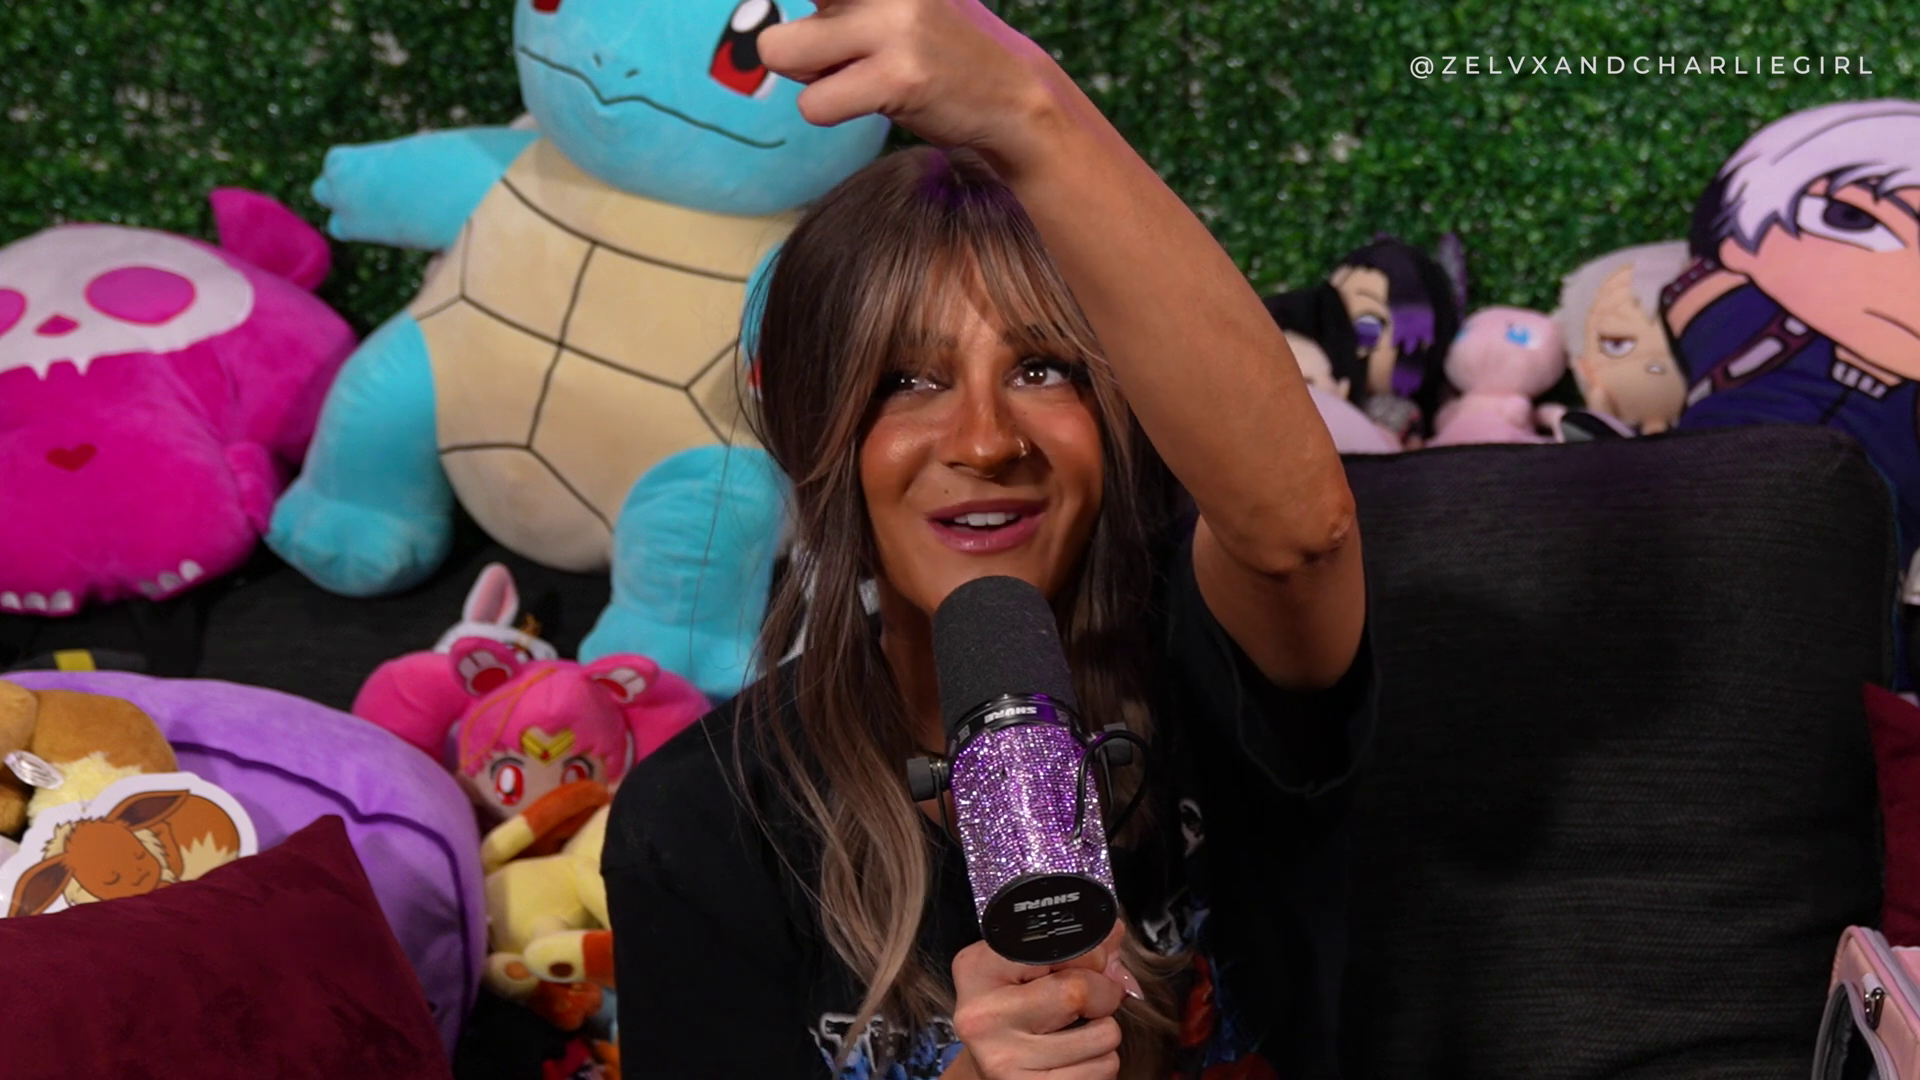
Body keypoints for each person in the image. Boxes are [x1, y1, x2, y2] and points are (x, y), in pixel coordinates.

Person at [601, 1, 1371, 1077]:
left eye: (1042, 368)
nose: (985, 439)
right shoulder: (703, 823)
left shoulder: (1207, 659)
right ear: (819, 435)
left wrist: (1027, 106)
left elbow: (1300, 538)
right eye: (908, 380)